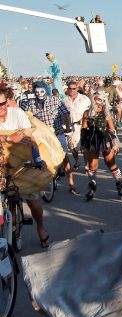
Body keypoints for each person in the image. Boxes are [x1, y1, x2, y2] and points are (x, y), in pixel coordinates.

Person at [0, 89, 51, 247]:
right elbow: (13, 138)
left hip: (22, 162)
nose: (0, 107)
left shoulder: (18, 114)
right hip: (2, 164)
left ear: (7, 102)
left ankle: (41, 228)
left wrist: (37, 159)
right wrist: (10, 137)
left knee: (34, 202)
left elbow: (30, 139)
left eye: (2, 103)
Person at [79, 89, 122, 201]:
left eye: (102, 100)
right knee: (92, 166)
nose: (99, 102)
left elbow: (112, 129)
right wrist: (83, 144)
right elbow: (84, 128)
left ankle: (120, 187)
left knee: (111, 164)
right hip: (92, 140)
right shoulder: (87, 112)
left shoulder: (106, 113)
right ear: (93, 99)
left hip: (106, 140)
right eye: (97, 99)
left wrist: (115, 144)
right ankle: (92, 188)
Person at [60, 79, 90, 195]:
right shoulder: (64, 100)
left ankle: (86, 164)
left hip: (81, 125)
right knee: (72, 147)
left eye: (74, 88)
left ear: (77, 88)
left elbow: (89, 110)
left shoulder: (84, 99)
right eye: (70, 88)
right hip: (68, 127)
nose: (72, 90)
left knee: (83, 147)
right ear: (67, 89)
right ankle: (77, 161)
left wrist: (86, 121)